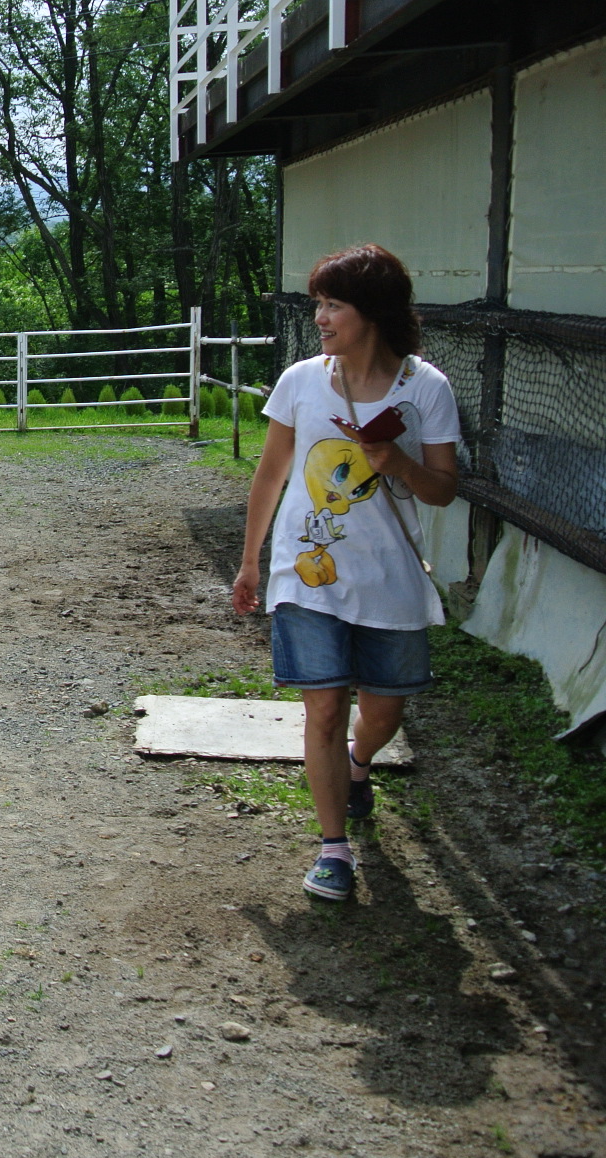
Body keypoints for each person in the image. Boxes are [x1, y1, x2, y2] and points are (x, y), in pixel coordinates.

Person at [231, 243, 460, 903]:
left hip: (389, 578)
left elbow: (443, 489)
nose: (320, 318)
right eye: (319, 304)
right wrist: (251, 561)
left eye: (334, 305)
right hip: (306, 574)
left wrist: (398, 463)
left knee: (382, 714)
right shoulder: (301, 381)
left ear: (374, 313)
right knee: (325, 709)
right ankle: (333, 849)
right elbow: (271, 475)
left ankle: (361, 764)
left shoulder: (427, 389)